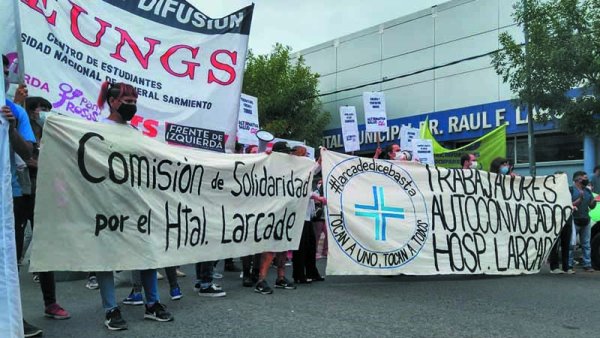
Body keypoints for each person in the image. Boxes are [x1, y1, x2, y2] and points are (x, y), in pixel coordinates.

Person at [95, 81, 173, 330]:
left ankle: (152, 304)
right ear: (113, 101)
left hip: (135, 205)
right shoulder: (96, 129)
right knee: (106, 258)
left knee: (146, 253)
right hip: (106, 203)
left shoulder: (134, 132)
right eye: (128, 102)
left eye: (134, 102)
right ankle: (111, 309)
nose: (133, 106)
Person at [3, 54, 45, 337]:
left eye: (6, 70)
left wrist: (11, 128)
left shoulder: (12, 112)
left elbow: (28, 152)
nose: (5, 75)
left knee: (10, 257)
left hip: (12, 196)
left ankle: (12, 314)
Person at [254, 141, 297, 294]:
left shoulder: (289, 169)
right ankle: (261, 280)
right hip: (271, 213)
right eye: (286, 152)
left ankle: (280, 277)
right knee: (270, 247)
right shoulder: (269, 165)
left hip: (285, 213)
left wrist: (319, 162)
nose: (289, 155)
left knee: (283, 247)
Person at [291, 146, 326, 284]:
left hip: (307, 214)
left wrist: (322, 155)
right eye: (305, 154)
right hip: (299, 214)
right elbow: (298, 189)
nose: (307, 156)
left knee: (311, 245)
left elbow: (316, 167)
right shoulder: (294, 171)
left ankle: (312, 271)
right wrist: (316, 197)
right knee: (301, 246)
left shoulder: (305, 170)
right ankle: (299, 274)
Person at [568, 171, 598, 273]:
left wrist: (594, 201)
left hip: (586, 220)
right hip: (574, 221)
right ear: (578, 179)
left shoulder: (588, 191)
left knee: (586, 244)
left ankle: (587, 264)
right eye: (584, 178)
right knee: (571, 245)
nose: (586, 180)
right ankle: (569, 264)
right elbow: (569, 205)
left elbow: (591, 206)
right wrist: (580, 199)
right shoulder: (570, 190)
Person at [548, 171, 573, 274]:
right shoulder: (550, 190)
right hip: (555, 220)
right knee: (554, 244)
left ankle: (566, 267)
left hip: (567, 220)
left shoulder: (569, 190)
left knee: (566, 244)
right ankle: (554, 267)